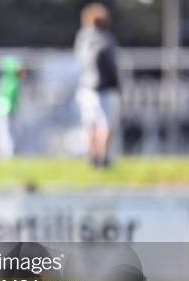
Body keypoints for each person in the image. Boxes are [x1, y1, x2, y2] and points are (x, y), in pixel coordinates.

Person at [74, 2, 121, 168]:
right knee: (106, 124)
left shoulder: (82, 38)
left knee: (90, 124)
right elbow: (111, 65)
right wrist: (117, 85)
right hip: (104, 87)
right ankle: (103, 156)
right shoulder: (106, 39)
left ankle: (92, 156)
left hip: (85, 87)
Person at [0, 56, 24, 158]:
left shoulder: (13, 82)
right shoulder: (8, 81)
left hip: (7, 112)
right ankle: (6, 153)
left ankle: (7, 154)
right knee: (4, 133)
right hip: (4, 111)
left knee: (6, 134)